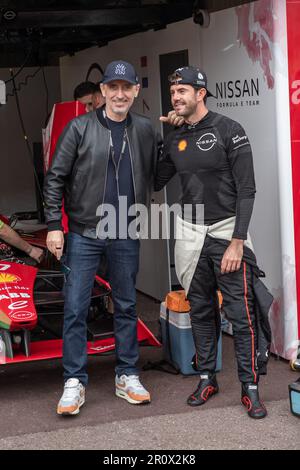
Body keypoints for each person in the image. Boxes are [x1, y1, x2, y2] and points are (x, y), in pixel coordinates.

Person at [44, 60, 164, 415]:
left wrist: (181, 135)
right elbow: (55, 178)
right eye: (113, 88)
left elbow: (158, 176)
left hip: (126, 230)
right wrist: (53, 223)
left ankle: (127, 373)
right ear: (103, 92)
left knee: (127, 305)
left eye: (126, 88)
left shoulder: (145, 129)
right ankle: (74, 381)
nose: (120, 94)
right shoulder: (79, 128)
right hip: (85, 232)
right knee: (76, 308)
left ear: (136, 91)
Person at [155, 66, 270, 419]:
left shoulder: (229, 129)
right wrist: (163, 140)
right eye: (173, 92)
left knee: (240, 314)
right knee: (201, 309)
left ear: (200, 94)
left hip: (225, 232)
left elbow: (247, 189)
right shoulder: (175, 136)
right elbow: (159, 179)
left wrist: (237, 241)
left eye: (182, 92)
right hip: (190, 233)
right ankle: (207, 377)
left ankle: (250, 387)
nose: (176, 97)